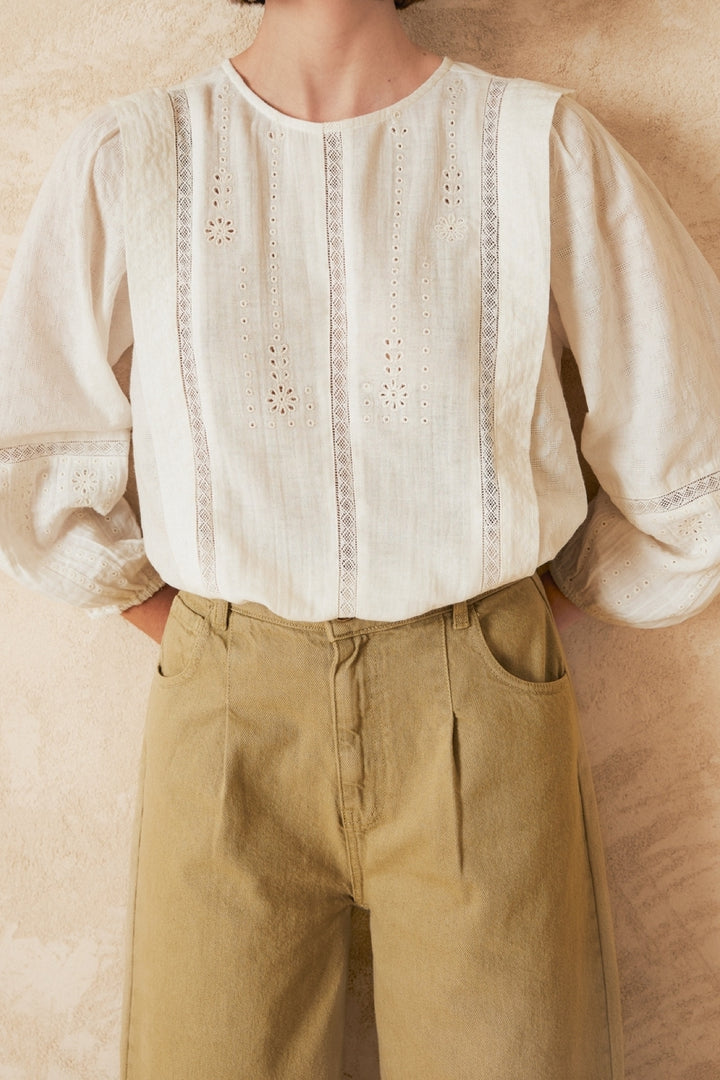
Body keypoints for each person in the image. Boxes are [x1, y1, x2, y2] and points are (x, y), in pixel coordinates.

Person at [1, 0, 719, 1075]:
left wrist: (498, 634)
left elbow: (690, 455)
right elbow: (30, 452)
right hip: (226, 711)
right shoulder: (136, 155)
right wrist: (204, 640)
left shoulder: (537, 147)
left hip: (478, 706)